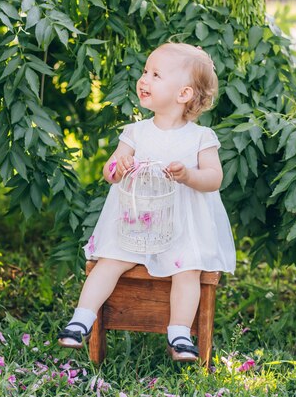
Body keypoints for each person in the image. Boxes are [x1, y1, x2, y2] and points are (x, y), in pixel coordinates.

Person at [57, 42, 236, 362]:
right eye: (144, 72)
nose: (144, 79)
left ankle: (179, 332)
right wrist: (118, 167)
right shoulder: (136, 132)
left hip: (181, 229)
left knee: (188, 271)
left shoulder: (199, 138)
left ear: (183, 94)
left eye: (155, 75)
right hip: (135, 224)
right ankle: (81, 319)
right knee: (108, 261)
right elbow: (109, 171)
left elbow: (214, 179)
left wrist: (188, 176)